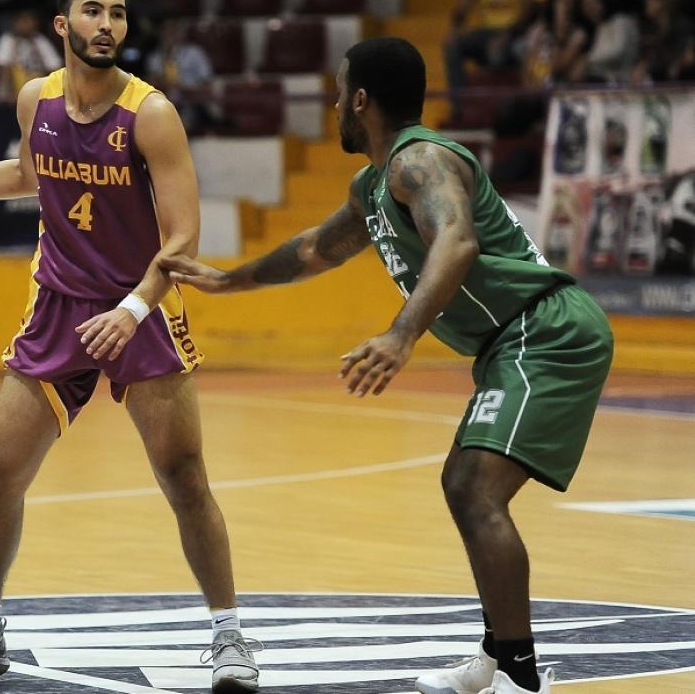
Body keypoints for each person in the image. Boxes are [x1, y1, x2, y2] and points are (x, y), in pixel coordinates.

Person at [162, 37, 614, 694]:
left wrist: (402, 334)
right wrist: (230, 282)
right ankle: (500, 654)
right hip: (513, 339)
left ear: (362, 100)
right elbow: (316, 247)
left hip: (545, 330)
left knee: (476, 490)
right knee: (464, 484)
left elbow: (457, 239)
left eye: (342, 92)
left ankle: (519, 676)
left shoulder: (420, 160)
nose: (336, 105)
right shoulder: (374, 185)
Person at [0, 0, 260, 694]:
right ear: (63, 27)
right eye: (93, 12)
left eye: (118, 14)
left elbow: (182, 242)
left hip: (142, 305)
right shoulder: (38, 98)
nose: (107, 26)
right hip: (61, 303)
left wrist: (131, 311)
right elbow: (30, 175)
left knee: (184, 475)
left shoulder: (150, 114)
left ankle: (229, 638)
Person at [444, 0, 538, 119]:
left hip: (516, 33)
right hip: (487, 34)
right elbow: (462, 7)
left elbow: (531, 9)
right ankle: (459, 106)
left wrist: (508, 35)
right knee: (452, 46)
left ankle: (519, 109)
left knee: (500, 53)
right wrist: (454, 30)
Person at [0, 10, 62, 100]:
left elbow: (54, 66)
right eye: (23, 22)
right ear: (15, 23)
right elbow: (3, 68)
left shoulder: (40, 41)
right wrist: (7, 93)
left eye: (29, 22)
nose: (26, 25)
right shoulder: (7, 39)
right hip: (14, 87)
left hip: (37, 85)